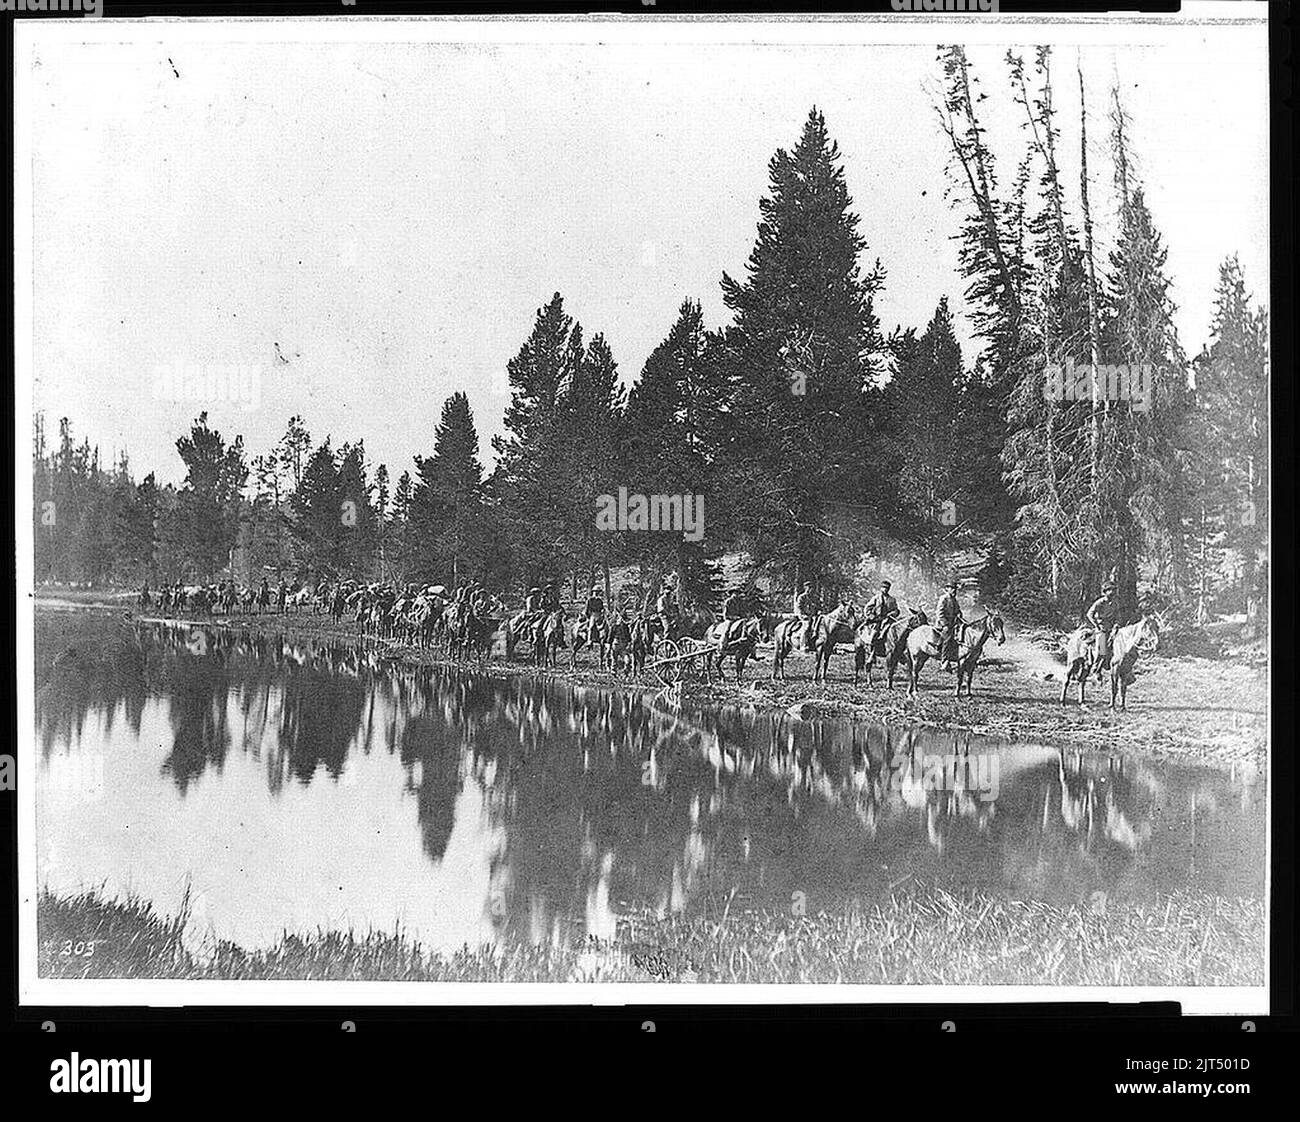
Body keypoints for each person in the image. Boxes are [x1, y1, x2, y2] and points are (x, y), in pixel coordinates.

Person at [1085, 581, 1120, 669]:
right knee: (1101, 650)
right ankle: (1095, 667)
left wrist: (1116, 625)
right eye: (1109, 590)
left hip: (1111, 629)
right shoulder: (1100, 603)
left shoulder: (1115, 604)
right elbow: (1089, 614)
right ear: (1105, 592)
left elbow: (1117, 616)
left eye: (1113, 590)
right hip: (1101, 628)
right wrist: (1096, 625)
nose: (1112, 592)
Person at [865, 579, 899, 656]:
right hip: (877, 619)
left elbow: (896, 610)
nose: (885, 589)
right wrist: (871, 616)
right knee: (875, 633)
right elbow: (867, 608)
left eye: (887, 588)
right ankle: (871, 649)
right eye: (884, 587)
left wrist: (893, 613)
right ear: (880, 588)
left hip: (888, 620)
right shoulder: (876, 598)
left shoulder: (892, 600)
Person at [935, 579, 964, 665]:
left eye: (955, 588)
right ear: (947, 589)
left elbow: (958, 610)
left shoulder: (954, 600)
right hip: (943, 624)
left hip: (953, 623)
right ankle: (944, 660)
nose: (954, 590)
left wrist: (959, 614)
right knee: (948, 636)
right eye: (951, 588)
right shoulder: (943, 598)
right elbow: (939, 613)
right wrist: (945, 624)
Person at [794, 581, 819, 651]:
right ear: (805, 588)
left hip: (814, 616)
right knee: (806, 626)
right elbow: (799, 608)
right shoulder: (801, 597)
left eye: (811, 588)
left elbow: (818, 607)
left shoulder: (814, 598)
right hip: (804, 616)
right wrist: (803, 615)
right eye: (809, 588)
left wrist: (819, 611)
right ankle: (803, 645)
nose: (810, 589)